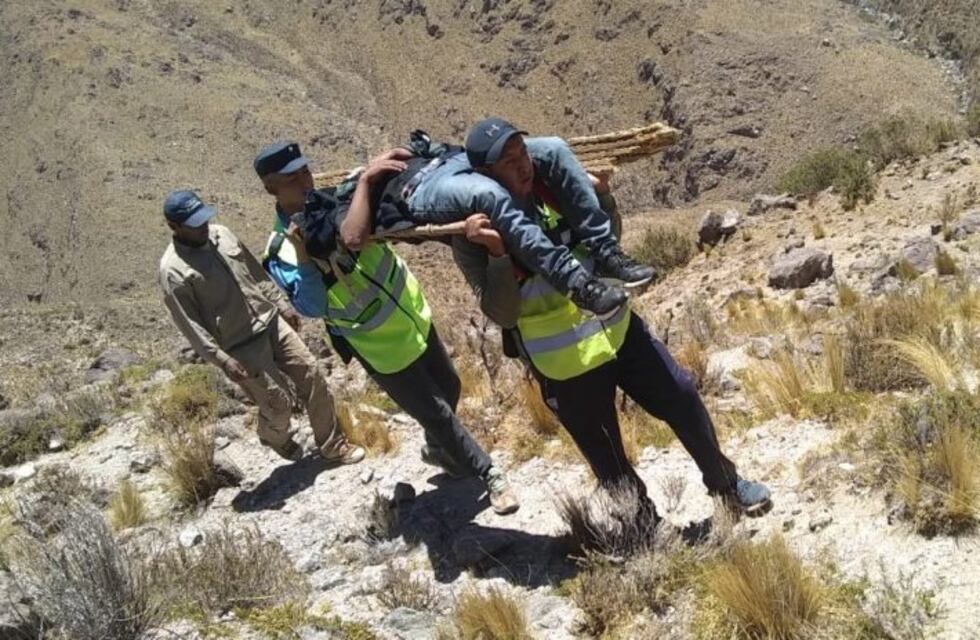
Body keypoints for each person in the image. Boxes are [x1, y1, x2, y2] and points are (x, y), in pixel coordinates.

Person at [448, 120, 772, 522]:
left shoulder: (553, 191)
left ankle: (726, 484)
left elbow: (608, 244)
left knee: (682, 396)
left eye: (523, 153)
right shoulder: (469, 235)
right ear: (484, 176)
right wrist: (497, 255)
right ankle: (642, 525)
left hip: (617, 329)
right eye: (508, 161)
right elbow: (502, 312)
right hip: (564, 363)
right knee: (605, 452)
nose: (523, 166)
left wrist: (603, 199)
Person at [253, 143, 519, 516]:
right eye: (291, 179)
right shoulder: (280, 249)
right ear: (270, 188)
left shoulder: (338, 204)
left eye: (305, 171)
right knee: (437, 413)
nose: (304, 181)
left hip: (412, 315)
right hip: (379, 345)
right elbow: (312, 306)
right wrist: (304, 256)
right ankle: (490, 475)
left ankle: (440, 450)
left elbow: (395, 227)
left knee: (451, 387)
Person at [339, 121, 655, 317]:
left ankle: (607, 252)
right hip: (426, 187)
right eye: (510, 161)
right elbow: (353, 237)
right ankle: (575, 284)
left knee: (556, 147)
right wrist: (367, 178)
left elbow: (437, 150)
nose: (523, 167)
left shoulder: (414, 154)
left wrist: (410, 152)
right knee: (490, 195)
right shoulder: (361, 187)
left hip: (457, 160)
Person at [158, 189, 364, 465]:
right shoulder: (173, 271)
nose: (204, 226)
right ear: (174, 226)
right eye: (195, 224)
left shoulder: (222, 234)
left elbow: (255, 272)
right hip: (239, 343)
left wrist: (282, 304)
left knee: (312, 374)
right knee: (278, 405)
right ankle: (273, 436)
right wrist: (222, 361)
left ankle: (332, 444)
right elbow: (191, 325)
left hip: (271, 321)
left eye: (204, 218)